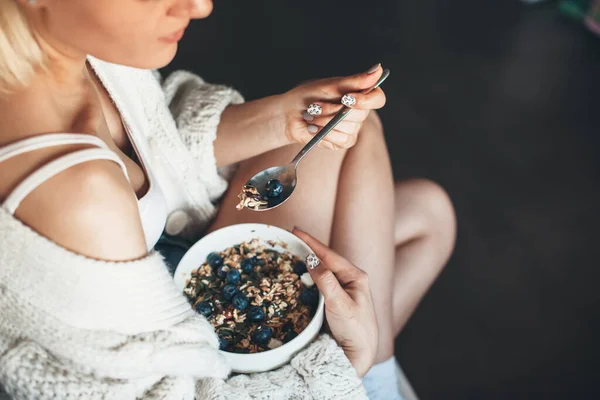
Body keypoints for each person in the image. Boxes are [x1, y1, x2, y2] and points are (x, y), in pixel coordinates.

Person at [0, 0, 456, 398]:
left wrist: (283, 116)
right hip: (184, 354)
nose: (200, 6)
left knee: (428, 208)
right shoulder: (79, 199)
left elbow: (157, 135)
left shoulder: (77, 49)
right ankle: (376, 384)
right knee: (408, 240)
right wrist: (346, 362)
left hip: (171, 258)